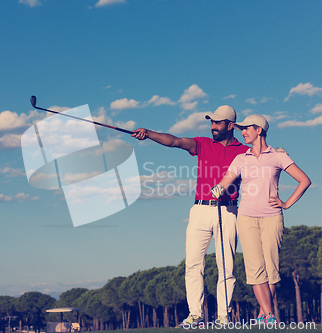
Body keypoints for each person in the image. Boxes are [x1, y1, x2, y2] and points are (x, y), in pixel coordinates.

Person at [132, 106, 249, 326]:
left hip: (229, 210)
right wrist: (148, 133)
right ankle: (195, 314)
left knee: (227, 266)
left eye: (217, 122)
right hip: (200, 210)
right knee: (194, 264)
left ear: (230, 125)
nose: (213, 126)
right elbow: (174, 141)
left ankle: (223, 317)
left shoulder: (244, 151)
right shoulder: (203, 144)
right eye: (211, 122)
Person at [211, 114, 311, 325]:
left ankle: (263, 315)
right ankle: (269, 315)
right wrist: (218, 189)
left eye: (246, 128)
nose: (242, 132)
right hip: (246, 218)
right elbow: (227, 178)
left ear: (259, 129)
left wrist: (286, 203)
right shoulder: (241, 159)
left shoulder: (278, 156)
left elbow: (304, 180)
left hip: (272, 218)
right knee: (255, 270)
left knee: (271, 269)